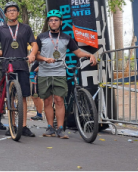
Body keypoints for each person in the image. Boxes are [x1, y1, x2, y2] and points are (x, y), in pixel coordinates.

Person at [36, 9, 96, 139]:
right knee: (47, 100)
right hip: (44, 72)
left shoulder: (66, 38)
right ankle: (50, 127)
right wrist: (45, 59)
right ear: (48, 23)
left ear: (61, 22)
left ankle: (61, 129)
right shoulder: (41, 37)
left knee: (59, 100)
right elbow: (36, 55)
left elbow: (78, 53)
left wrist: (90, 55)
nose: (53, 22)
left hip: (59, 72)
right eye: (51, 20)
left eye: (56, 20)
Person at [0, 1, 37, 138]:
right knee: (11, 96)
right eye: (9, 11)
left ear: (18, 13)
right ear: (6, 14)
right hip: (7, 65)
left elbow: (34, 44)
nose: (12, 12)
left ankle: (24, 126)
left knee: (24, 97)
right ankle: (12, 124)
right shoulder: (1, 29)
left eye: (14, 10)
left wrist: (32, 54)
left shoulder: (26, 28)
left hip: (22, 65)